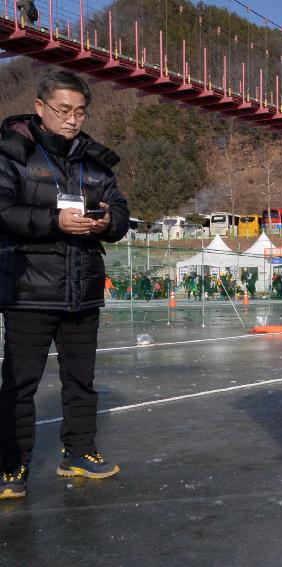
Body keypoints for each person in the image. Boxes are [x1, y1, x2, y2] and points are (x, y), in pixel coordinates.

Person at [0, 71, 129, 499]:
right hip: (28, 289)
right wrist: (54, 221)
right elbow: (3, 211)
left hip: (83, 289)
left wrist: (110, 221)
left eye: (80, 111)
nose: (73, 120)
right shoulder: (11, 153)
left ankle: (79, 451)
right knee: (20, 384)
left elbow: (123, 215)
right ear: (40, 108)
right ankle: (11, 465)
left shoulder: (95, 161)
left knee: (81, 380)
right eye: (64, 110)